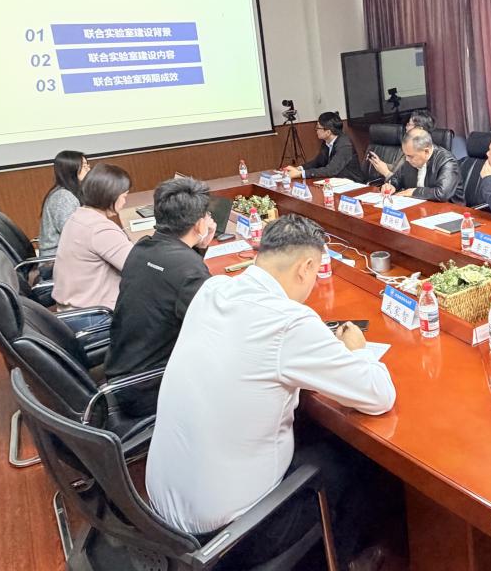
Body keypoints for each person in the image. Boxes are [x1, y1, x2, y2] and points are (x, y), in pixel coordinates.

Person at [146, 214, 396, 568]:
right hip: (227, 536)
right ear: (305, 268)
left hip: (158, 513)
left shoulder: (213, 289)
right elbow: (379, 395)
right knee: (358, 461)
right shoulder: (289, 322)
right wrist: (358, 350)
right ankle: (341, 561)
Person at [105, 177, 217, 417]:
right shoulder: (188, 270)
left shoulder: (142, 248)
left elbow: (173, 277)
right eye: (207, 215)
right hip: (149, 388)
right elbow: (215, 330)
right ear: (199, 225)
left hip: (122, 371)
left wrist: (199, 248)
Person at [52, 163, 133, 310]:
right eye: (124, 196)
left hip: (75, 307)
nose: (124, 202)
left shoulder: (79, 216)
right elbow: (139, 267)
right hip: (95, 314)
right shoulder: (100, 229)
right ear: (110, 196)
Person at [38, 150, 90, 279]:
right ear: (71, 170)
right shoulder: (63, 198)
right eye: (84, 166)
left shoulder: (69, 193)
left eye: (88, 165)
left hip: (67, 257)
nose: (89, 169)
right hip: (55, 264)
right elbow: (75, 237)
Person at [284, 111, 364, 182]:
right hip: (337, 181)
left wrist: (300, 174)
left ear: (328, 132)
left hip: (353, 184)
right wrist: (299, 169)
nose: (316, 130)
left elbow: (331, 170)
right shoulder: (327, 142)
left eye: (318, 127)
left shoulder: (345, 145)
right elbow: (318, 162)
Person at [383, 128, 460, 202]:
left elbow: (442, 193)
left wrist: (414, 192)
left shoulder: (447, 161)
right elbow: (396, 179)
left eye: (410, 156)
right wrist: (391, 185)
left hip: (449, 209)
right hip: (418, 206)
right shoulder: (410, 159)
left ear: (426, 152)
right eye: (405, 155)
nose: (407, 159)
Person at [367, 109, 434, 180]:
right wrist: (379, 163)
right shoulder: (408, 147)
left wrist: (386, 173)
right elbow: (395, 168)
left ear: (419, 129)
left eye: (409, 124)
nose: (406, 127)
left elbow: (407, 183)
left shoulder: (420, 154)